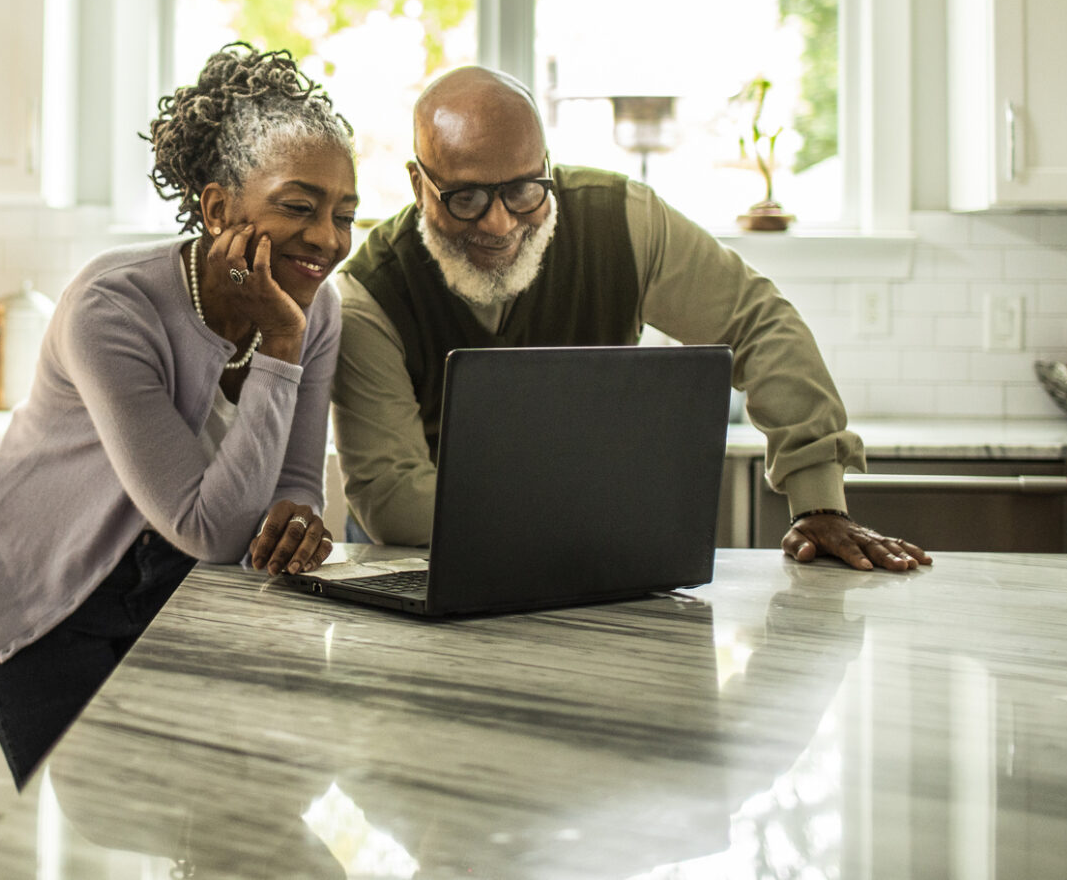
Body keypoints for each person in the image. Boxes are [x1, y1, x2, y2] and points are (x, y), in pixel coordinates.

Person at [333, 65, 930, 573]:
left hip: (595, 561)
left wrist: (818, 500)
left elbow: (757, 323)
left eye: (524, 190)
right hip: (420, 567)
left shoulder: (624, 223)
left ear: (548, 164)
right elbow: (393, 499)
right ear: (418, 184)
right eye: (465, 198)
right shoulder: (368, 295)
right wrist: (606, 511)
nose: (500, 224)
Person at [0, 43, 358, 785]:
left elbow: (294, 485)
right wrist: (278, 343)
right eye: (300, 206)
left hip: (176, 587)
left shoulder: (318, 308)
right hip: (50, 587)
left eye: (344, 213)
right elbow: (209, 527)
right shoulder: (111, 309)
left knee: (201, 815)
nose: (328, 239)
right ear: (217, 208)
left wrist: (298, 516)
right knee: (84, 835)